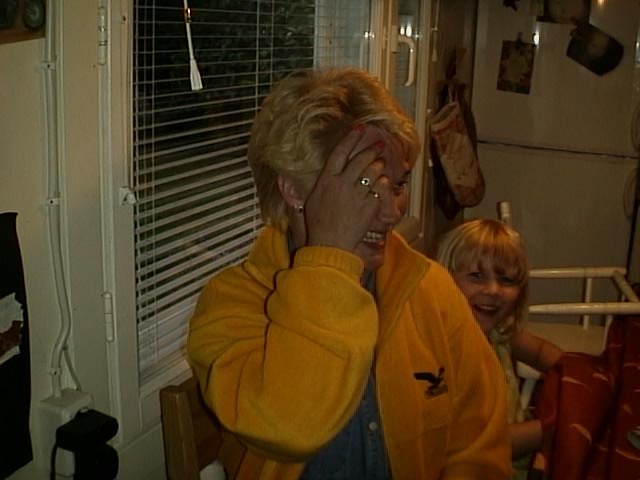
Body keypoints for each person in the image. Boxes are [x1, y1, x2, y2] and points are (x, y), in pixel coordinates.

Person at [188, 68, 511, 479]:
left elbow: (479, 440)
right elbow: (289, 428)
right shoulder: (234, 303)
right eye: (365, 186)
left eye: (398, 185)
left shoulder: (430, 290)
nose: (392, 212)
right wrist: (329, 259)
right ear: (293, 190)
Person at [436, 219, 563, 477]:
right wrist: (550, 428)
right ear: (444, 279)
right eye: (476, 276)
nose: (493, 290)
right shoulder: (448, 355)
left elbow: (543, 352)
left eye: (506, 280)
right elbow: (486, 443)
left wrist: (578, 377)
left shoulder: (498, 333)